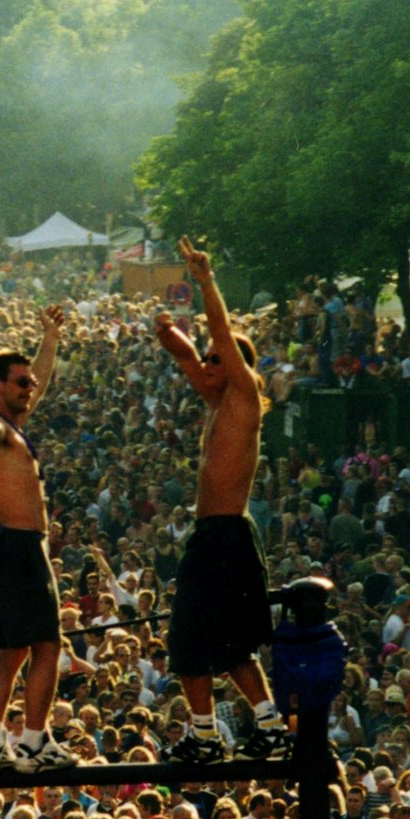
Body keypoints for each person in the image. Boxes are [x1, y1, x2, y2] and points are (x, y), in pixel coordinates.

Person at [154, 238, 289, 763]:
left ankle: (207, 734)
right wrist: (168, 332)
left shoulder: (244, 399)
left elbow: (217, 343)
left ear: (235, 367)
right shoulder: (216, 399)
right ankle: (268, 727)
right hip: (217, 535)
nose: (207, 365)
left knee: (192, 638)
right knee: (232, 646)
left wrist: (206, 282)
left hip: (225, 534)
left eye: (218, 360)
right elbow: (190, 357)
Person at [0, 306, 74, 773]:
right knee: (47, 645)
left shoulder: (15, 428)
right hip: (17, 547)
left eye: (29, 382)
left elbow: (42, 383)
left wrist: (50, 338)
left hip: (20, 548)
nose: (30, 388)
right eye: (20, 383)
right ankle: (30, 741)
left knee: (17, 650)